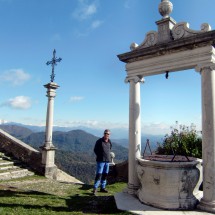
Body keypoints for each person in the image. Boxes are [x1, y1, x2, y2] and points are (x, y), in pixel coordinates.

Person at [93, 129, 112, 195]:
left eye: (108, 134)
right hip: (100, 161)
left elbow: (110, 149)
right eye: (105, 133)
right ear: (103, 134)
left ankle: (102, 188)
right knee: (99, 174)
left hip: (107, 161)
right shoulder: (99, 141)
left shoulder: (109, 141)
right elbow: (95, 150)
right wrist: (100, 156)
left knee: (105, 174)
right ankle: (95, 188)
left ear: (109, 135)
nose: (106, 135)